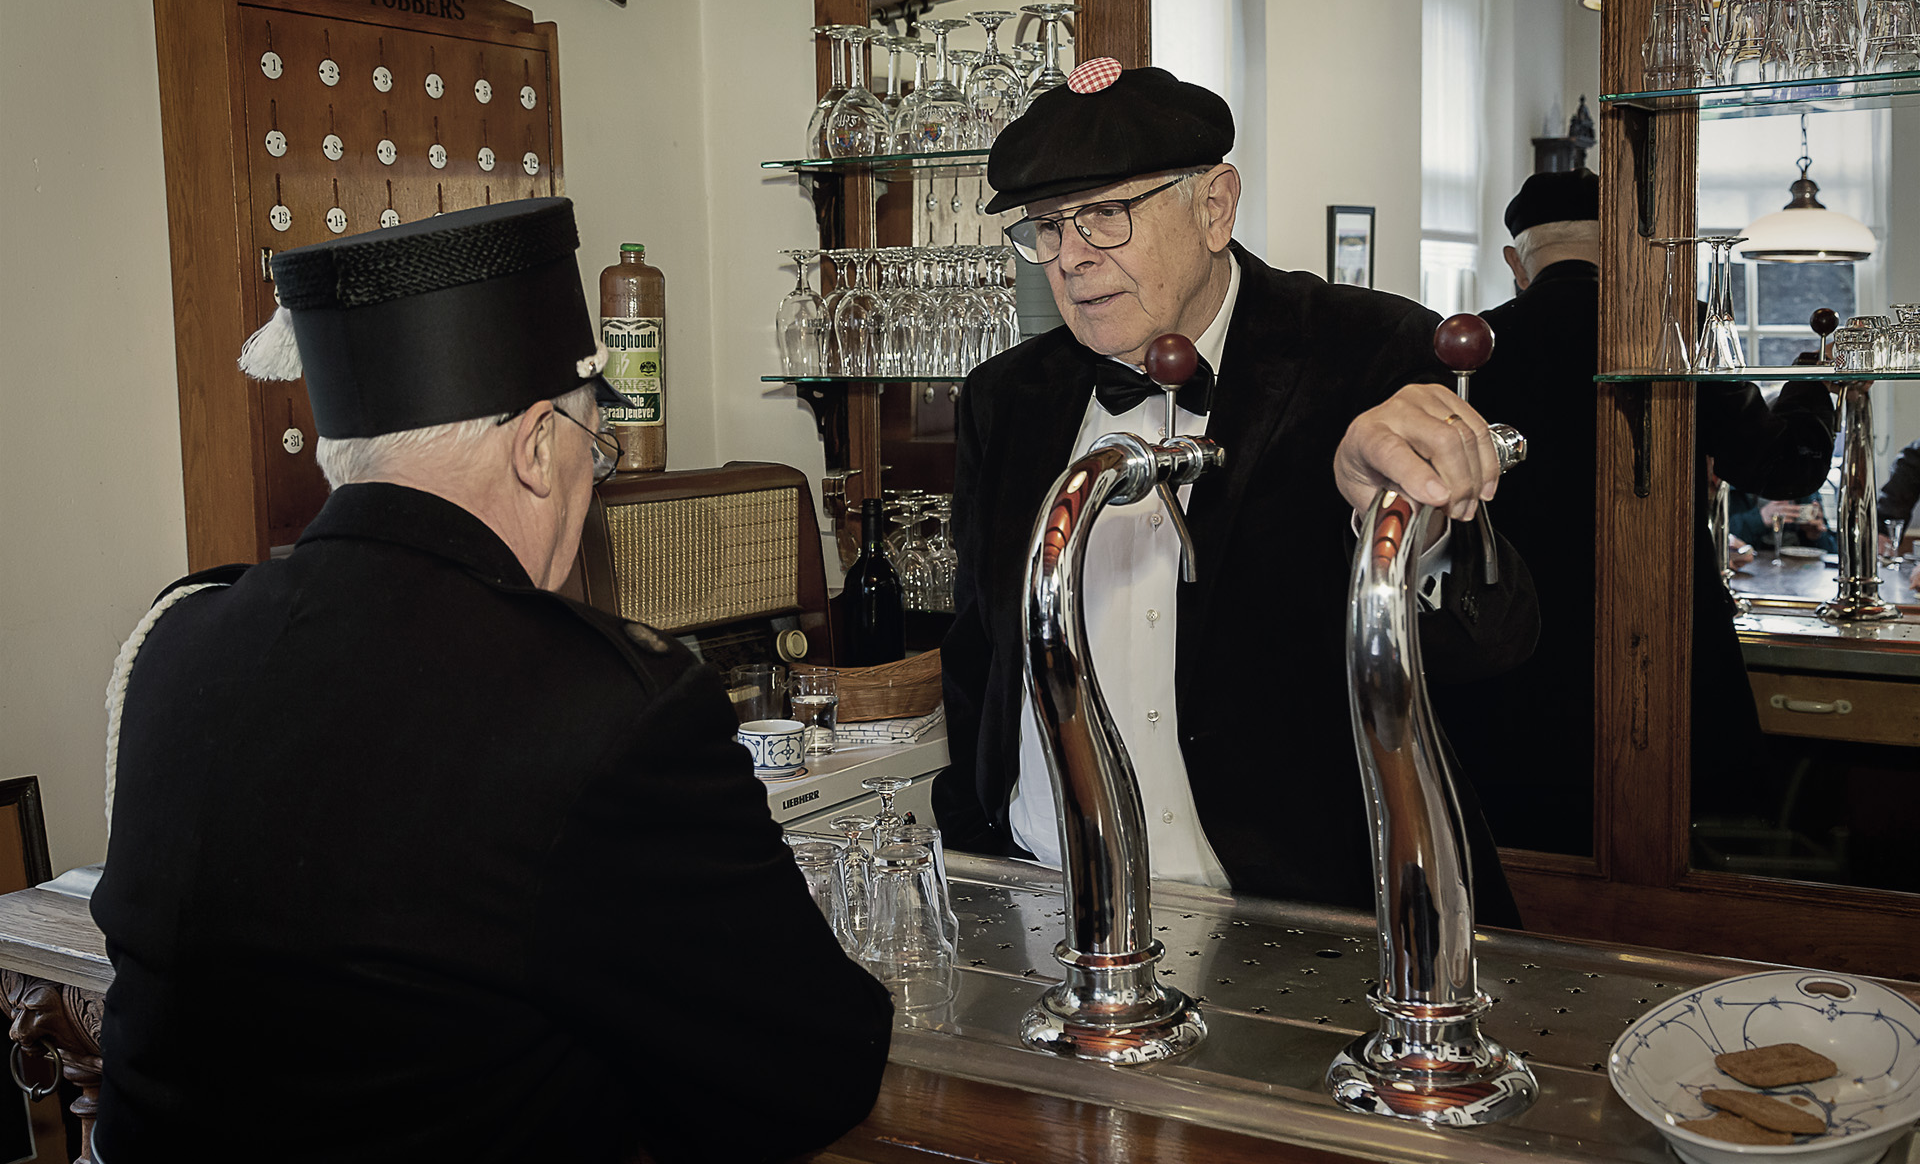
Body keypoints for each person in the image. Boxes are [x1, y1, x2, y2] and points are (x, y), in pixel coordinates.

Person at [90, 199, 892, 1164]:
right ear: (536, 448)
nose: (589, 481)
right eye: (593, 450)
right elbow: (812, 1065)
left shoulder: (175, 644)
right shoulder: (601, 707)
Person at [936, 61, 1538, 922]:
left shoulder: (1368, 351)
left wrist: (1404, 521)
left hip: (1305, 917)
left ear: (1214, 206)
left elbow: (1495, 643)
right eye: (1047, 226)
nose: (1069, 258)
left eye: (1106, 215)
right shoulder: (1004, 399)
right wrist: (975, 845)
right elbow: (980, 657)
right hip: (1046, 898)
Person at [1441, 171, 1837, 855]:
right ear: (1628, 250)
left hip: (1508, 652)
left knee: (1529, 858)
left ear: (1515, 262)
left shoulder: (1466, 350)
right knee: (1662, 858)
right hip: (1655, 640)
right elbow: (1784, 469)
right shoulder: (1668, 338)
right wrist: (1812, 380)